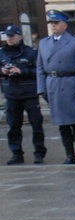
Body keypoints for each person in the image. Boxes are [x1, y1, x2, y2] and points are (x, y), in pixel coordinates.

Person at [36, 10, 75, 164]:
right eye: (51, 23)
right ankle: (69, 155)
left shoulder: (74, 42)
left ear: (64, 25)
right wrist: (41, 89)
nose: (53, 26)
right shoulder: (44, 43)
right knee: (62, 124)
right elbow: (40, 68)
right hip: (53, 85)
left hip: (70, 84)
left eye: (56, 23)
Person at [0, 24, 46, 165]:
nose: (10, 39)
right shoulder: (2, 53)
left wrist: (21, 71)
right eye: (8, 36)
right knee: (13, 126)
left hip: (29, 94)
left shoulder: (30, 53)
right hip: (11, 94)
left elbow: (39, 72)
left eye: (12, 36)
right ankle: (16, 154)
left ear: (19, 36)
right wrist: (4, 72)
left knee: (36, 125)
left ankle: (39, 153)